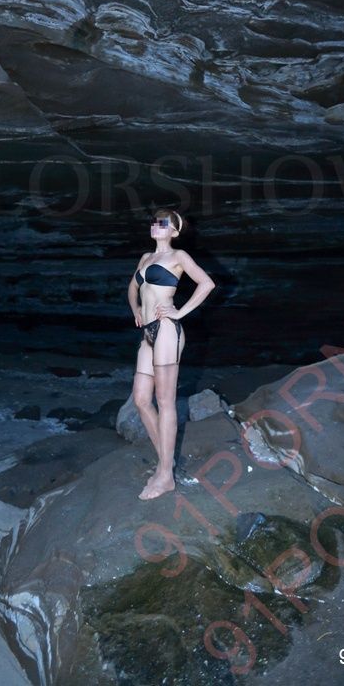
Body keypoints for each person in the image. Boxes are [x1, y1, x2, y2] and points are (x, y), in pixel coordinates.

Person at [128, 208, 215, 500]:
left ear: (174, 231)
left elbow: (207, 284)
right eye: (155, 221)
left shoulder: (179, 256)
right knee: (141, 400)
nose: (156, 225)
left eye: (163, 223)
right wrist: (136, 309)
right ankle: (166, 462)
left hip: (166, 330)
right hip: (147, 332)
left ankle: (165, 475)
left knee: (165, 402)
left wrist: (180, 312)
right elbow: (132, 288)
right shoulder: (145, 258)